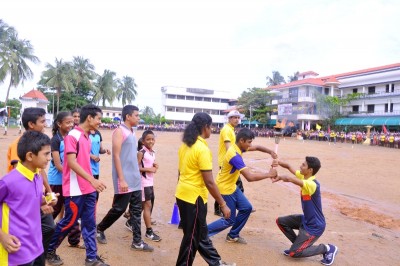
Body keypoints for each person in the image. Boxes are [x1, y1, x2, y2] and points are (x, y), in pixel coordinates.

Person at [46, 104, 109, 266]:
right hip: (75, 189)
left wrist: (91, 182)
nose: (100, 122)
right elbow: (71, 163)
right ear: (89, 118)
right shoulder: (72, 136)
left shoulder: (87, 136)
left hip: (88, 188)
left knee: (89, 223)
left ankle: (92, 258)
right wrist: (92, 179)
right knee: (69, 221)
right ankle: (49, 250)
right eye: (99, 119)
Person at [175, 112, 235, 266]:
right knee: (191, 239)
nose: (212, 129)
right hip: (194, 198)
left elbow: (180, 172)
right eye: (211, 126)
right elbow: (209, 182)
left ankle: (216, 262)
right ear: (205, 127)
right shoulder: (201, 149)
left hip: (183, 194)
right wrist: (222, 203)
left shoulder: (186, 145)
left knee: (200, 235)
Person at [96, 105, 154, 252]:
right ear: (128, 116)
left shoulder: (132, 132)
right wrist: (121, 179)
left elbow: (132, 155)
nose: (138, 118)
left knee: (136, 209)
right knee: (120, 208)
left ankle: (137, 241)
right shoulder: (119, 131)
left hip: (135, 177)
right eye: (136, 115)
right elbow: (116, 155)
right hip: (125, 177)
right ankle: (99, 229)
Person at [207, 128, 277, 244]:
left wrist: (270, 152)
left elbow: (258, 147)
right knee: (229, 219)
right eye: (249, 142)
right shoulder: (234, 155)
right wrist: (268, 174)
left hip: (231, 186)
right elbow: (249, 177)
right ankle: (203, 234)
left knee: (246, 208)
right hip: (224, 188)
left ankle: (233, 235)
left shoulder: (238, 147)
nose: (250, 145)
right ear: (242, 141)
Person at [6, 107, 56, 266]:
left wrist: (47, 195)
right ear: (31, 124)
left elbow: (38, 172)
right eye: (42, 121)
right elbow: (19, 178)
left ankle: (38, 257)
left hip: (33, 198)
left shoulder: (35, 171)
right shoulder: (21, 144)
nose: (45, 124)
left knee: (47, 228)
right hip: (20, 201)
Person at [273, 156, 338, 266]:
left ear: (310, 170)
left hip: (315, 226)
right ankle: (298, 246)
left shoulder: (312, 184)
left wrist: (280, 177)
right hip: (306, 220)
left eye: (303, 165)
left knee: (294, 253)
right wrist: (277, 162)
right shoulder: (304, 177)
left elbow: (290, 179)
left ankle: (327, 248)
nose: (300, 166)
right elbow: (289, 166)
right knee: (281, 221)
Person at [0, 131, 52, 265]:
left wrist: (45, 201)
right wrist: (2, 236)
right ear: (30, 156)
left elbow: (30, 200)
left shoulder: (37, 175)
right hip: (15, 249)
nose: (49, 158)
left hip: (35, 245)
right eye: (46, 154)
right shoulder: (9, 182)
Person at [214, 110, 243, 217]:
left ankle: (218, 208)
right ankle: (239, 206)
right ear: (229, 119)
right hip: (227, 162)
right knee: (237, 185)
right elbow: (228, 147)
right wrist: (235, 160)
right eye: (234, 117)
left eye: (237, 117)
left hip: (229, 161)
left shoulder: (231, 129)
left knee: (226, 184)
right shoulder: (227, 130)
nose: (236, 119)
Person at [137, 130, 161, 241]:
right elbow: (136, 168)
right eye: (148, 139)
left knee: (145, 206)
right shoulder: (141, 152)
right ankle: (149, 232)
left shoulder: (152, 152)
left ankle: (130, 219)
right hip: (143, 182)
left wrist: (155, 166)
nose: (151, 141)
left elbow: (151, 167)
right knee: (147, 206)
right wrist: (149, 169)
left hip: (150, 182)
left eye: (152, 139)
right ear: (143, 140)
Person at [89, 128, 111, 201]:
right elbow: (80, 150)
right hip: (87, 168)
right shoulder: (85, 133)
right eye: (97, 119)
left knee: (95, 194)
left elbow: (100, 150)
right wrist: (91, 156)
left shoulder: (98, 133)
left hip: (96, 168)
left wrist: (105, 150)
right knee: (89, 192)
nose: (99, 122)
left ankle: (94, 211)